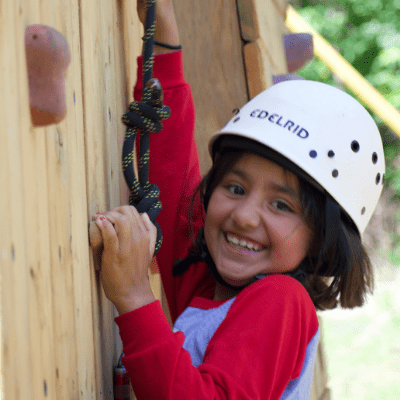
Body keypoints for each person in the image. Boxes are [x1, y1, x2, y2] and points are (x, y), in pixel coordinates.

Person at [94, 1, 385, 399]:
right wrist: (164, 44)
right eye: (235, 188)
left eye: (281, 205)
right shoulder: (211, 286)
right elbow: (174, 182)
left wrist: (134, 297)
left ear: (323, 237)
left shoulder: (282, 301)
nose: (244, 216)